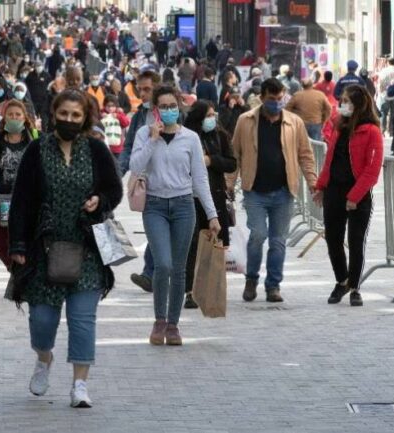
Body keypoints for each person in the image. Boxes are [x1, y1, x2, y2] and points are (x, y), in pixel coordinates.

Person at [7, 89, 122, 408]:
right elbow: (21, 200)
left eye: (76, 115)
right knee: (42, 321)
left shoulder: (97, 150)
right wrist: (17, 244)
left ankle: (80, 384)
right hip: (44, 249)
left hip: (87, 248)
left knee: (83, 319)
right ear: (53, 114)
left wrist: (101, 199)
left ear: (85, 118)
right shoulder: (36, 150)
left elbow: (114, 189)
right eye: (64, 114)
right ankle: (44, 358)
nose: (69, 120)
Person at [130, 86, 221, 345]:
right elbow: (135, 167)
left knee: (179, 269)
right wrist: (152, 139)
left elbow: (200, 179)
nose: (169, 111)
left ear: (179, 107)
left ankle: (173, 325)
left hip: (183, 206)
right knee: (164, 264)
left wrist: (212, 215)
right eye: (163, 107)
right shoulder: (144, 134)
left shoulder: (190, 138)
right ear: (155, 110)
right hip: (155, 206)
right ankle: (159, 321)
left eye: (173, 106)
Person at [227, 78, 317, 303]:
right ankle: (251, 279)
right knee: (257, 235)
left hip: (283, 192)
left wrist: (313, 182)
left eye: (279, 99)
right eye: (271, 99)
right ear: (262, 97)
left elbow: (305, 155)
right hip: (254, 190)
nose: (276, 103)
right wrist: (228, 183)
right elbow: (235, 155)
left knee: (278, 241)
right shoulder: (245, 121)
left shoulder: (294, 123)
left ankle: (273, 286)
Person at [312, 85, 383, 307]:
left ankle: (355, 286)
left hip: (358, 194)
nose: (342, 105)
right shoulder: (339, 127)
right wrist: (321, 186)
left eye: (347, 101)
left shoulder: (371, 130)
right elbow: (330, 160)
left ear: (359, 105)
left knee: (355, 241)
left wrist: (354, 196)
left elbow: (372, 169)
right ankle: (341, 280)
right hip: (334, 191)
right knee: (333, 239)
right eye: (342, 101)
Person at [182, 101, 236, 309]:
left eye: (214, 114)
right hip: (190, 198)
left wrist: (211, 160)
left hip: (215, 198)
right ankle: (190, 290)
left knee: (214, 245)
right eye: (208, 115)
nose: (212, 119)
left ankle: (210, 287)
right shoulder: (186, 137)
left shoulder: (220, 136)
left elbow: (232, 163)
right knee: (192, 245)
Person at [118, 70, 161, 293]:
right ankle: (149, 274)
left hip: (171, 183)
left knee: (164, 232)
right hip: (147, 183)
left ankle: (157, 273)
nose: (142, 94)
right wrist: (117, 172)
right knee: (154, 228)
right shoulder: (138, 117)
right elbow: (128, 148)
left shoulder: (172, 113)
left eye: (147, 89)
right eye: (140, 89)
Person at [0, 100, 36, 268]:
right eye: (10, 115)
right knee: (3, 245)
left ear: (24, 118)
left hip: (28, 202)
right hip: (2, 202)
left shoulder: (35, 140)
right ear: (4, 117)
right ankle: (14, 271)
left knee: (27, 242)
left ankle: (24, 275)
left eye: (18, 115)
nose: (14, 118)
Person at [378, 57, 394, 136]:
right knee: (393, 113)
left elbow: (380, 82)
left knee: (384, 112)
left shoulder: (383, 71)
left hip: (385, 94)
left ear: (387, 62)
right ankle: (391, 131)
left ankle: (382, 131)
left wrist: (380, 91)